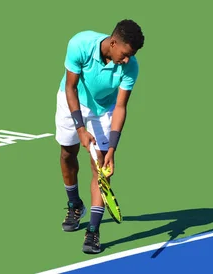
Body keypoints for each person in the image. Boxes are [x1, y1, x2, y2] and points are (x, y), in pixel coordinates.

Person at [54, 19, 145, 254]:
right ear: (113, 42)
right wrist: (80, 129)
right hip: (72, 101)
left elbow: (121, 107)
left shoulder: (131, 66)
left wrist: (112, 150)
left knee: (101, 168)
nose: (126, 60)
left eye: (130, 56)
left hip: (104, 109)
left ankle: (93, 230)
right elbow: (70, 87)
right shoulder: (80, 44)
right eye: (124, 54)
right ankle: (75, 205)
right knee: (67, 153)